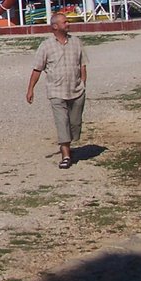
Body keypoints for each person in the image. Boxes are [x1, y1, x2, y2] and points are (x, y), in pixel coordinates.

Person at [26, 12, 88, 169]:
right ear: (55, 26)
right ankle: (66, 155)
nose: (68, 23)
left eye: (67, 21)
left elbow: (83, 64)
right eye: (64, 22)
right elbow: (37, 69)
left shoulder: (76, 42)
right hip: (56, 91)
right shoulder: (46, 46)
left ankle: (69, 143)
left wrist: (83, 83)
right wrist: (30, 89)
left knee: (74, 123)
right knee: (62, 122)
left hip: (76, 89)